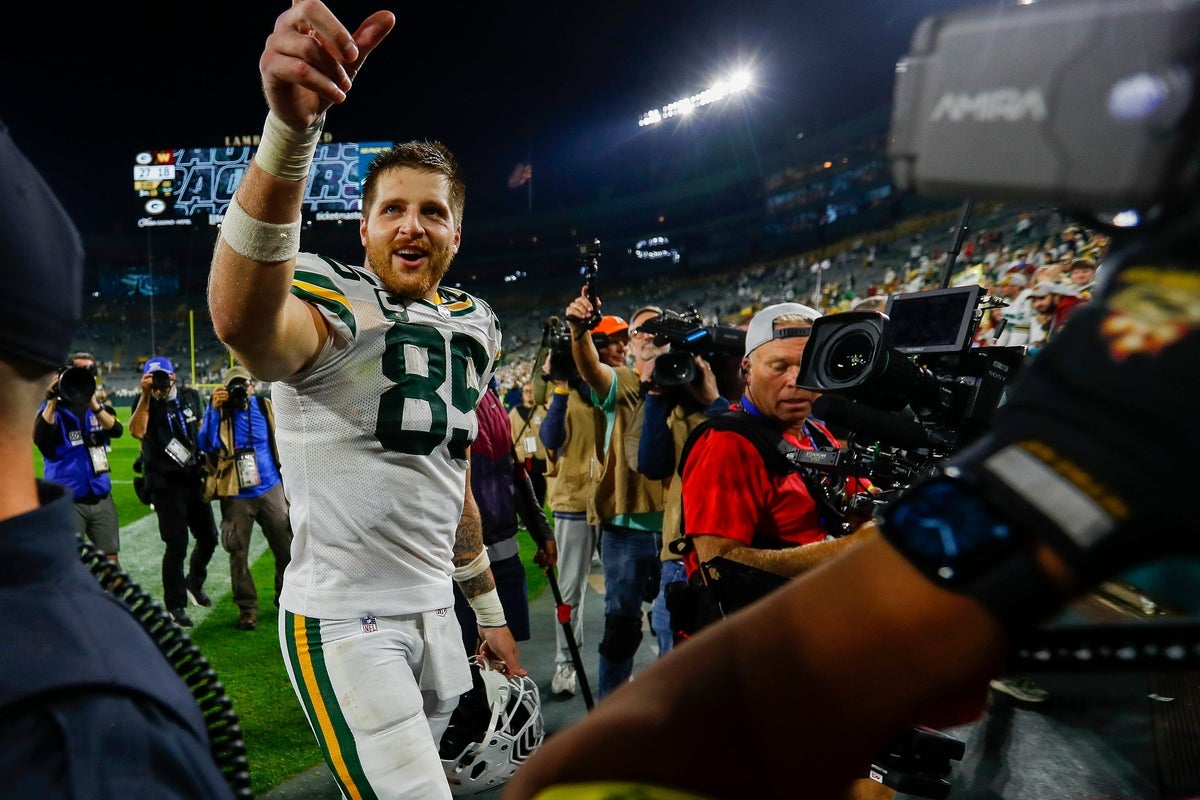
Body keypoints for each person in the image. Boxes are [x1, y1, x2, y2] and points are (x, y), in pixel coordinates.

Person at [206, 4, 525, 796]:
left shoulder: (477, 323)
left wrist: (486, 609)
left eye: (432, 211)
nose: (411, 226)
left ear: (457, 234)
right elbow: (245, 322)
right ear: (363, 227)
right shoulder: (334, 295)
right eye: (392, 209)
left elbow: (446, 483)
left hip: (434, 608)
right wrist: (290, 133)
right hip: (348, 621)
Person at [0, 117, 235, 799]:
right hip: (116, 494)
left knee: (191, 546)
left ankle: (186, 593)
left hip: (158, 489)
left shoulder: (77, 735)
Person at [563, 293, 666, 699]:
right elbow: (590, 368)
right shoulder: (621, 379)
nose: (644, 335)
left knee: (674, 621)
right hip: (628, 526)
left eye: (654, 327)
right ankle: (612, 711)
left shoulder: (688, 379)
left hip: (679, 526)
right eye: (638, 329)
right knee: (622, 625)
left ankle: (673, 708)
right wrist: (578, 331)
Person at [626, 310, 744, 655]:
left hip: (732, 558)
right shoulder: (668, 408)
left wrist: (714, 401)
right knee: (676, 664)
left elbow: (741, 449)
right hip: (679, 556)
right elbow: (650, 464)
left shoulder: (736, 409)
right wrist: (657, 396)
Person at [453, 380, 557, 655]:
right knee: (471, 663)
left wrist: (540, 527)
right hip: (461, 565)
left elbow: (514, 468)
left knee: (507, 657)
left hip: (504, 550)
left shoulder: (491, 394)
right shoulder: (442, 391)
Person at [197, 365, 293, 632]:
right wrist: (213, 410)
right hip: (236, 492)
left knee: (287, 546)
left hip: (271, 487)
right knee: (237, 553)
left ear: (252, 385)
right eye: (234, 385)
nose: (240, 389)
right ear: (225, 390)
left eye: (244, 384)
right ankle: (247, 608)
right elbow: (206, 445)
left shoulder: (264, 407)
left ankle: (284, 596)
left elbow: (284, 440)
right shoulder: (220, 412)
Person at [129, 355, 218, 628]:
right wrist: (145, 396)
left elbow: (201, 429)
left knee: (209, 538)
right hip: (165, 486)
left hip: (193, 478)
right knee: (176, 544)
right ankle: (175, 604)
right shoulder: (144, 402)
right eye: (152, 378)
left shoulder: (191, 397)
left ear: (173, 377)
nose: (158, 383)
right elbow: (137, 431)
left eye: (162, 377)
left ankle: (194, 582)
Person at [539, 355, 602, 698]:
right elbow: (549, 437)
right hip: (575, 501)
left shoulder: (613, 387)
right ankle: (566, 662)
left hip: (616, 501)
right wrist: (561, 387)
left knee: (624, 593)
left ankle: (614, 664)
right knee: (570, 593)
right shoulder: (563, 394)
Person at [34, 350, 125, 568]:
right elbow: (42, 440)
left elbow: (117, 430)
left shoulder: (98, 410)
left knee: (111, 561)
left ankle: (105, 602)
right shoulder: (50, 410)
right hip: (68, 499)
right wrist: (52, 400)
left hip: (100, 494)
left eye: (91, 370)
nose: (86, 374)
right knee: (67, 562)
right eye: (80, 370)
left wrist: (94, 405)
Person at [510, 380, 551, 506]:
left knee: (541, 487)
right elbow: (512, 435)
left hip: (541, 454)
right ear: (522, 394)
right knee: (527, 487)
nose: (529, 394)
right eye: (526, 391)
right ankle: (529, 514)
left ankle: (539, 513)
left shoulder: (543, 411)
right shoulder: (514, 413)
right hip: (524, 456)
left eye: (531, 391)